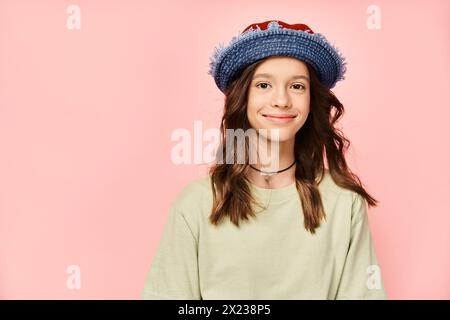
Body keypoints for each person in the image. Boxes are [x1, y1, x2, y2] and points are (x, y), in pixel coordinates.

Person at [140, 20, 388, 300]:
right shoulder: (195, 205)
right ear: (242, 97)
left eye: (296, 86)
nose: (281, 100)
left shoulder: (345, 204)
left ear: (311, 99)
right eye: (264, 84)